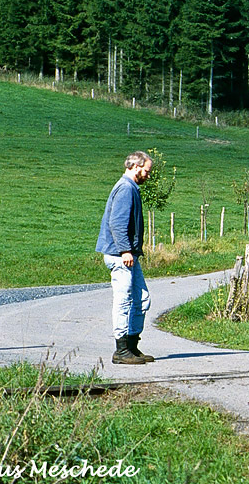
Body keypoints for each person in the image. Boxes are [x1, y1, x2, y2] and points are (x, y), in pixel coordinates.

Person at [95, 151, 154, 365]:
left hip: (127, 255)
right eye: (146, 171)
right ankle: (121, 351)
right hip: (120, 255)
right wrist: (125, 250)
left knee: (142, 299)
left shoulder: (131, 188)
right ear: (135, 167)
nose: (148, 175)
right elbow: (117, 222)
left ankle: (132, 346)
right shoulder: (125, 189)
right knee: (124, 301)